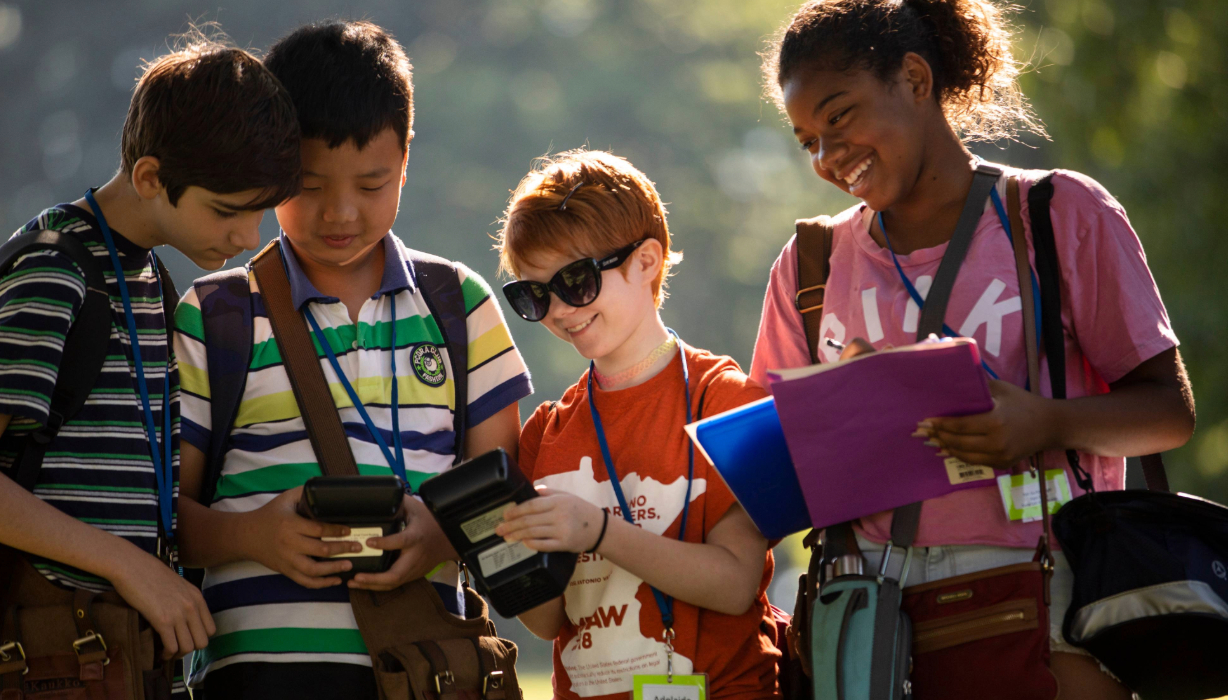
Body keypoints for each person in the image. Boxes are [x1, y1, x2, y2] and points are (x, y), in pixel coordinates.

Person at [752, 0, 1196, 697]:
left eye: (839, 116)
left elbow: (1169, 411)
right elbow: (774, 466)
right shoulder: (810, 263)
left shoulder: (1056, 215)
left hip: (1045, 602)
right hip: (870, 621)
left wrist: (1045, 422)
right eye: (806, 139)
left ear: (917, 80)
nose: (827, 156)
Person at [0, 28, 301, 697]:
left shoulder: (148, 277)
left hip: (115, 657)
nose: (247, 239)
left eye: (260, 215)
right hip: (39, 658)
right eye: (226, 212)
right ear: (151, 176)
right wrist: (129, 567)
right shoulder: (55, 271)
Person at [172, 20, 533, 700]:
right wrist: (251, 536)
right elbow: (164, 520)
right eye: (307, 185)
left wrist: (437, 535)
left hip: (428, 676)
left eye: (372, 184)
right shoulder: (215, 315)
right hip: (257, 681)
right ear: (269, 162)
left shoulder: (461, 306)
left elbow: (505, 497)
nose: (341, 213)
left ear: (406, 159)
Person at [494, 149, 782, 699]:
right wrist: (499, 553)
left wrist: (597, 532)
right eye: (534, 294)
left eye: (576, 281)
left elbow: (735, 583)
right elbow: (548, 622)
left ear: (647, 261)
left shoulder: (725, 399)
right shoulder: (545, 432)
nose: (558, 309)